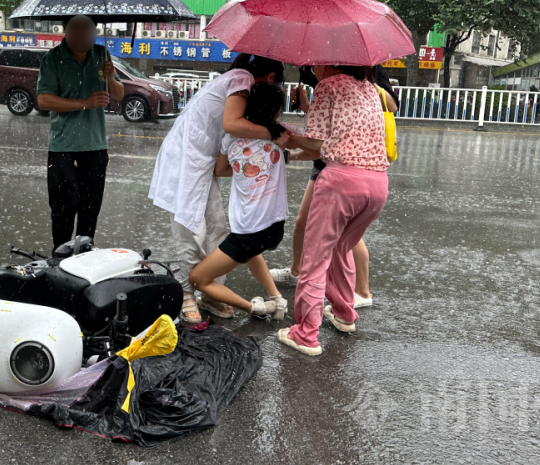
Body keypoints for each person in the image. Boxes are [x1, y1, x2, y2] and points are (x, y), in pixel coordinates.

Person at [149, 54, 289, 324]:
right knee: (188, 227)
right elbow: (231, 124)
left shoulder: (237, 79)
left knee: (216, 227)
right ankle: (187, 292)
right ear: (271, 78)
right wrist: (274, 132)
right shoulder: (241, 79)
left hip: (204, 159)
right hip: (187, 158)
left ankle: (212, 292)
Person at [278, 62, 390, 356]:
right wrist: (296, 146)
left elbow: (316, 144)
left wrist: (288, 138)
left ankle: (305, 334)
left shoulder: (328, 86)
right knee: (341, 247)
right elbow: (327, 145)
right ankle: (343, 312)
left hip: (341, 183)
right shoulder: (368, 87)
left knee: (315, 258)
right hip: (377, 185)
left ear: (330, 60)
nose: (312, 64)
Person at [189, 82, 290, 319]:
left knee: (198, 279)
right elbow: (304, 150)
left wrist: (244, 166)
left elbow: (220, 170)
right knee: (253, 251)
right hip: (275, 227)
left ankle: (256, 308)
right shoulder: (282, 136)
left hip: (247, 232)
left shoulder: (231, 139)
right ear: (276, 112)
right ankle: (277, 298)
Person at [37, 15, 125, 253]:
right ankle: (60, 255)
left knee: (90, 206)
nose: (84, 36)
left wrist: (109, 76)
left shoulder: (102, 54)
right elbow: (44, 100)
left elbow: (118, 94)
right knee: (63, 206)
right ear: (65, 31)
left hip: (95, 145)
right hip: (63, 146)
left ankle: (85, 256)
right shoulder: (53, 59)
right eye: (77, 31)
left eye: (89, 31)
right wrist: (84, 103)